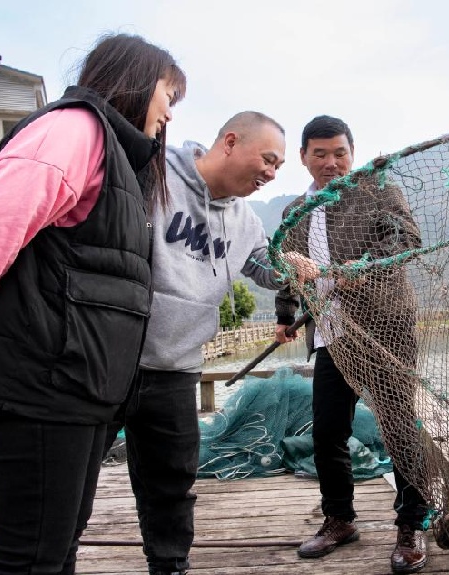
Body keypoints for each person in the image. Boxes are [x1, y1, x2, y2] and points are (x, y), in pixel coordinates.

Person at [0, 33, 186, 574]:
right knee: (27, 558)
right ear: (137, 80)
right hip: (41, 382)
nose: (169, 114)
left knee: (57, 548)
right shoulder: (75, 127)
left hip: (79, 387)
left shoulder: (121, 160)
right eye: (168, 95)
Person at [106, 111, 304, 575]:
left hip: (177, 366)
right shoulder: (155, 175)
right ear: (231, 142)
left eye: (278, 168)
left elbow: (264, 267)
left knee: (173, 481)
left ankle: (170, 565)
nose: (272, 173)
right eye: (269, 160)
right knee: (71, 476)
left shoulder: (245, 220)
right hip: (112, 357)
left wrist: (291, 266)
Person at [274, 115, 430, 574]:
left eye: (339, 152)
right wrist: (285, 318)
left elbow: (405, 240)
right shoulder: (292, 213)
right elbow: (289, 270)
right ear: (303, 158)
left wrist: (348, 271)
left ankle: (411, 525)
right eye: (319, 154)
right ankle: (339, 519)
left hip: (386, 329)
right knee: (327, 433)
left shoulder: (377, 191)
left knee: (400, 427)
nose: (331, 162)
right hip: (330, 335)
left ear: (352, 153)